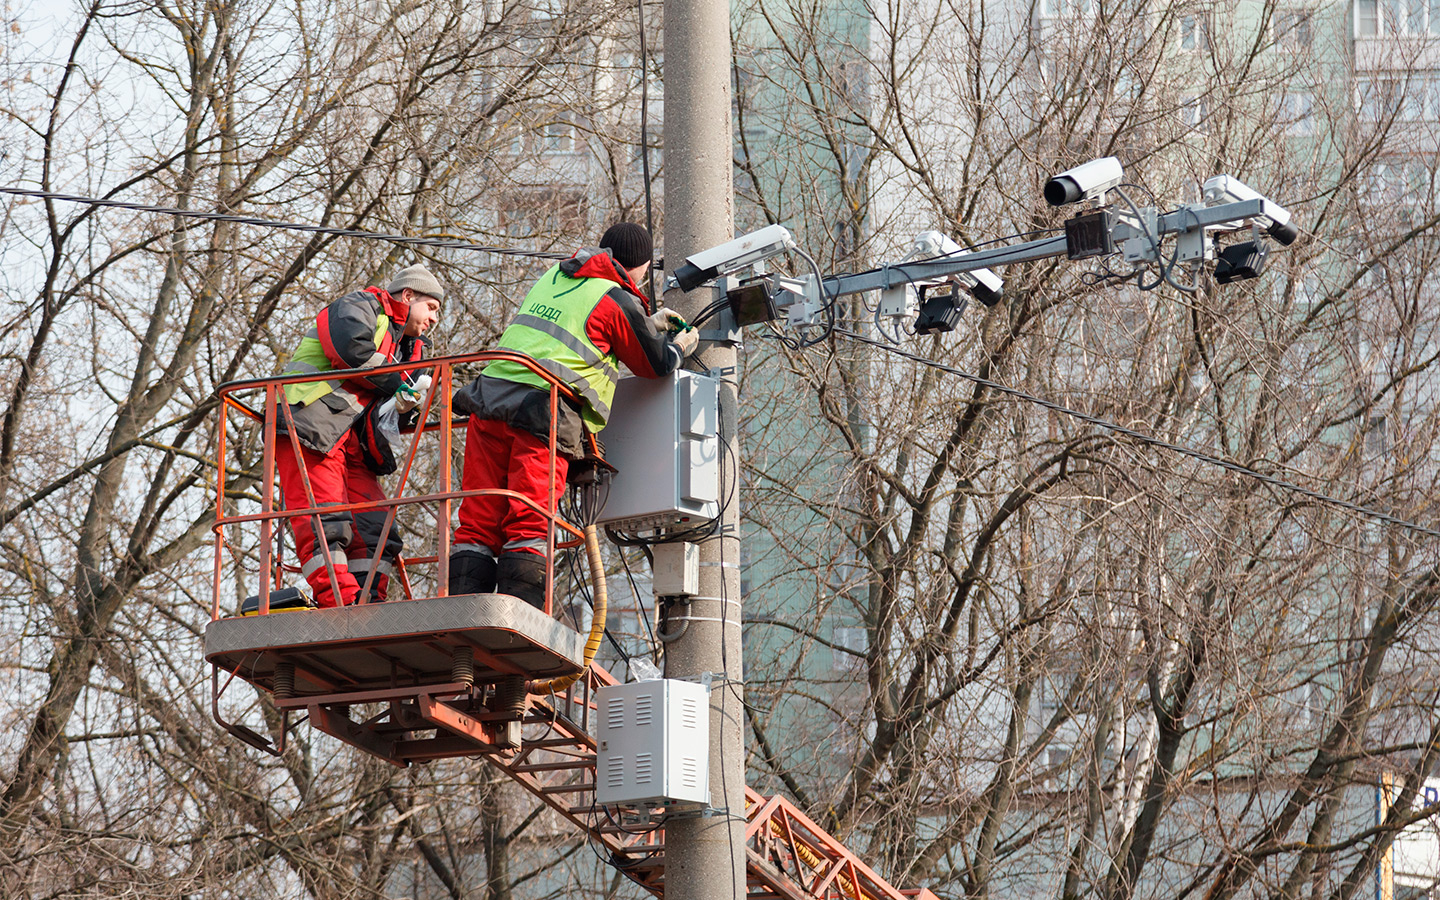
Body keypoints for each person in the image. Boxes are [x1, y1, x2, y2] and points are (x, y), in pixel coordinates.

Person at [449, 223, 698, 606]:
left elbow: (574, 330)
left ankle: (462, 612)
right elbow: (655, 363)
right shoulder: (615, 298)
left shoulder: (556, 275)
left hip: (489, 399)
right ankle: (519, 618)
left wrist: (647, 323)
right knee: (531, 519)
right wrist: (678, 345)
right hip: (541, 413)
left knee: (478, 517)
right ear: (642, 266)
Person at [273, 263, 444, 609]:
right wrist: (401, 385)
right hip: (309, 423)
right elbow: (350, 349)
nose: (435, 319)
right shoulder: (360, 306)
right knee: (325, 521)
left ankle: (369, 604)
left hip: (351, 442)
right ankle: (341, 603)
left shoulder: (410, 350)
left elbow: (390, 401)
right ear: (408, 295)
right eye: (432, 307)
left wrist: (404, 403)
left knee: (374, 529)